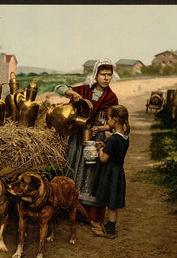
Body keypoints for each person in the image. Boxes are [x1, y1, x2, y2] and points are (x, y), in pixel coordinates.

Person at [54, 58, 118, 229]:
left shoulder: (111, 97)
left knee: (92, 171)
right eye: (103, 74)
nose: (106, 78)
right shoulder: (83, 89)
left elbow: (114, 122)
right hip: (77, 136)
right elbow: (58, 88)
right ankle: (67, 208)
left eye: (109, 75)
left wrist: (101, 128)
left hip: (96, 139)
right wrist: (71, 94)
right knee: (73, 166)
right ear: (95, 75)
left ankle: (89, 214)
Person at [91, 105, 130, 238]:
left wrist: (100, 149)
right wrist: (106, 146)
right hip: (119, 172)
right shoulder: (125, 137)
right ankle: (110, 226)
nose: (107, 122)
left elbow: (103, 159)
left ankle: (110, 231)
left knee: (110, 201)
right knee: (113, 202)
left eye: (108, 119)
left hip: (110, 173)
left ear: (115, 119)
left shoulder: (113, 139)